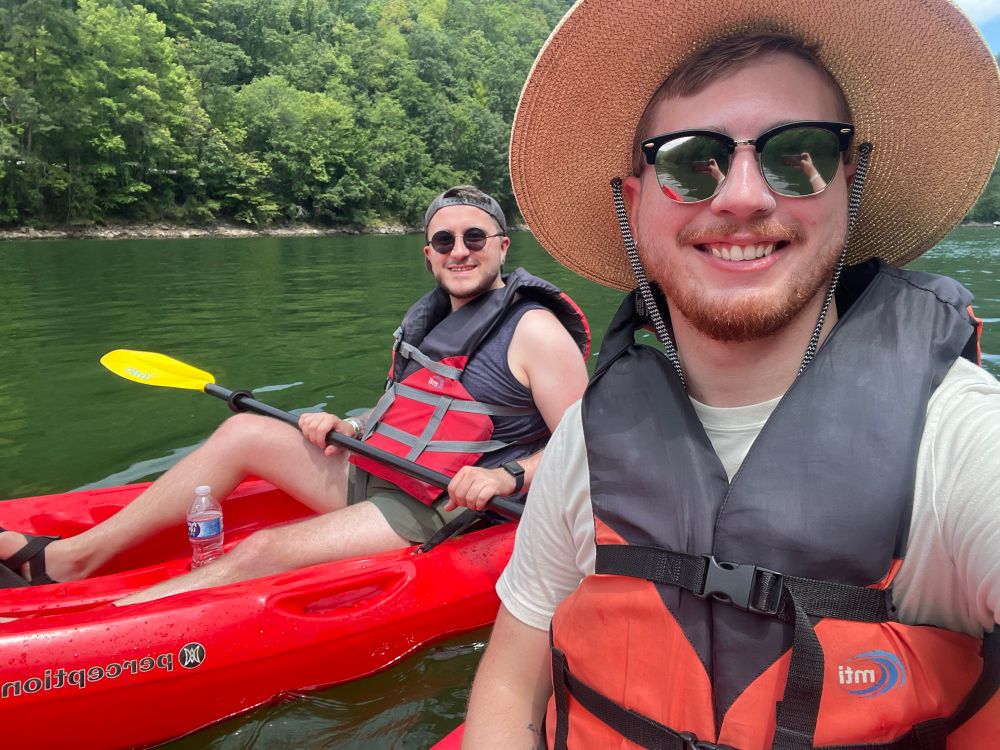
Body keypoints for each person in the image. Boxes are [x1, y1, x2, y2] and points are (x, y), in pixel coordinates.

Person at [463, 2, 1000, 748]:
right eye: (691, 160)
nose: (743, 195)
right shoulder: (592, 434)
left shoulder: (964, 442)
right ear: (636, 200)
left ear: (849, 181)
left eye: (797, 154)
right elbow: (513, 677)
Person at [0, 185, 590, 604]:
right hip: (377, 468)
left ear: (502, 246)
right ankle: (69, 559)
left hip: (435, 505)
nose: (460, 249)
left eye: (474, 236)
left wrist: (507, 478)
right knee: (243, 432)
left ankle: (101, 628)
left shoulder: (534, 329)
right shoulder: (434, 320)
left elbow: (589, 438)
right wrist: (353, 424)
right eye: (445, 239)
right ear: (428, 254)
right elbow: (412, 409)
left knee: (260, 551)